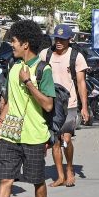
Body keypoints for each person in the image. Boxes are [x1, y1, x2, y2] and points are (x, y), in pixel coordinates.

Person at [0, 20, 55, 197]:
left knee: (37, 180)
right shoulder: (13, 67)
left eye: (13, 41)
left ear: (25, 44)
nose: (11, 44)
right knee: (5, 179)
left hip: (34, 135)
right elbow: (8, 103)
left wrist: (29, 83)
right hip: (10, 134)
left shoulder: (43, 69)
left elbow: (48, 105)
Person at [38, 24, 89, 187]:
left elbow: (81, 83)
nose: (59, 41)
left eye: (63, 39)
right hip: (51, 102)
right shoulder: (45, 54)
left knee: (66, 138)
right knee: (55, 141)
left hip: (70, 103)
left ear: (70, 40)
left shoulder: (76, 57)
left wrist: (85, 107)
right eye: (57, 38)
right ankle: (60, 176)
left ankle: (69, 169)